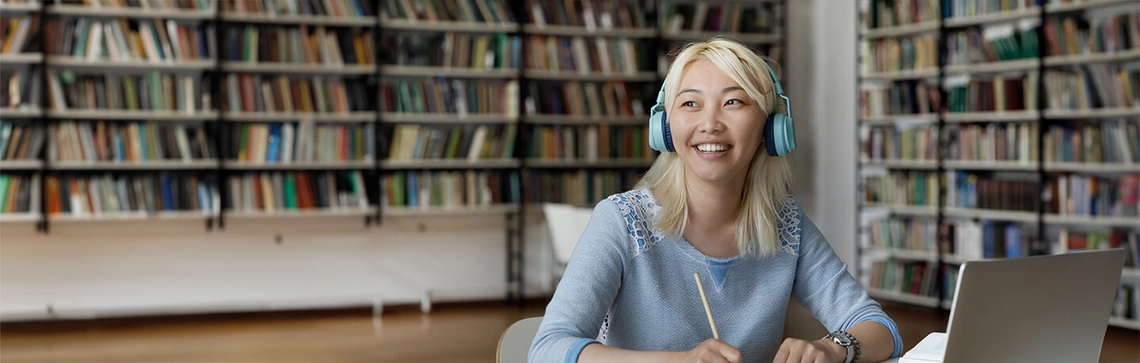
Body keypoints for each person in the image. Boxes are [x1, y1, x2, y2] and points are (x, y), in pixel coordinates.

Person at [528, 38, 903, 363]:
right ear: (666, 127)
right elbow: (547, 349)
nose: (710, 123)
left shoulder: (786, 223)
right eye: (690, 104)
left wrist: (834, 348)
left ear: (770, 129)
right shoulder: (622, 220)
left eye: (734, 102)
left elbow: (881, 328)